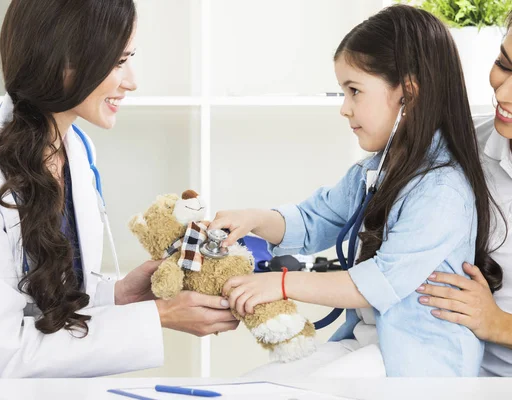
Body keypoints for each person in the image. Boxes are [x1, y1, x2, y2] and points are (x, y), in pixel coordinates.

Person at [0, 0, 237, 380]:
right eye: (117, 62)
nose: (132, 80)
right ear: (62, 62)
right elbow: (4, 348)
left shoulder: (77, 150)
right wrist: (160, 316)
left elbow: (46, 295)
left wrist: (118, 295)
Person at [209, 5, 503, 377]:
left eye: (354, 91)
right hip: (370, 344)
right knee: (256, 383)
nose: (345, 109)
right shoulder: (375, 169)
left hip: (418, 362)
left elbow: (377, 283)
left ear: (407, 94)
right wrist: (251, 219)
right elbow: (314, 219)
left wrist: (281, 284)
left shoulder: (443, 190)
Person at [418, 10, 512, 377]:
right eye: (503, 65)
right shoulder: (459, 145)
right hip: (444, 371)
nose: (502, 93)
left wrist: (497, 323)